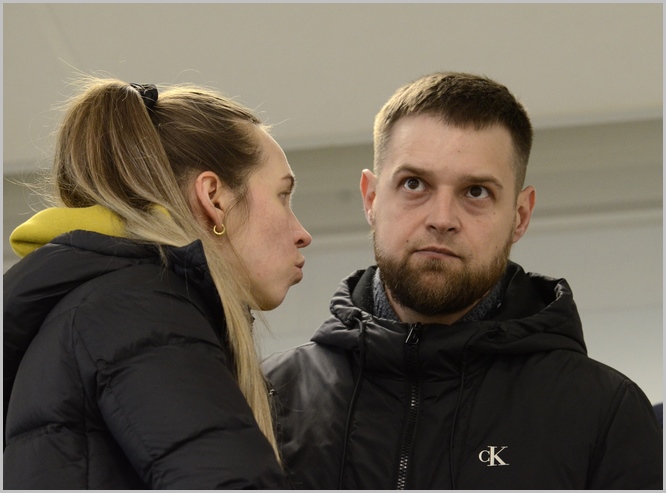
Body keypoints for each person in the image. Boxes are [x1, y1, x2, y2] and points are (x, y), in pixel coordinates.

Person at [263, 72, 663, 489]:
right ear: (372, 199)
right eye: (414, 184)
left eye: (476, 192)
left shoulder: (604, 413)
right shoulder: (267, 397)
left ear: (520, 216)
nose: (442, 219)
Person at [4, 77, 311, 488]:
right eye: (283, 196)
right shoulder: (141, 311)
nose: (302, 233)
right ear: (214, 199)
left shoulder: (97, 306)